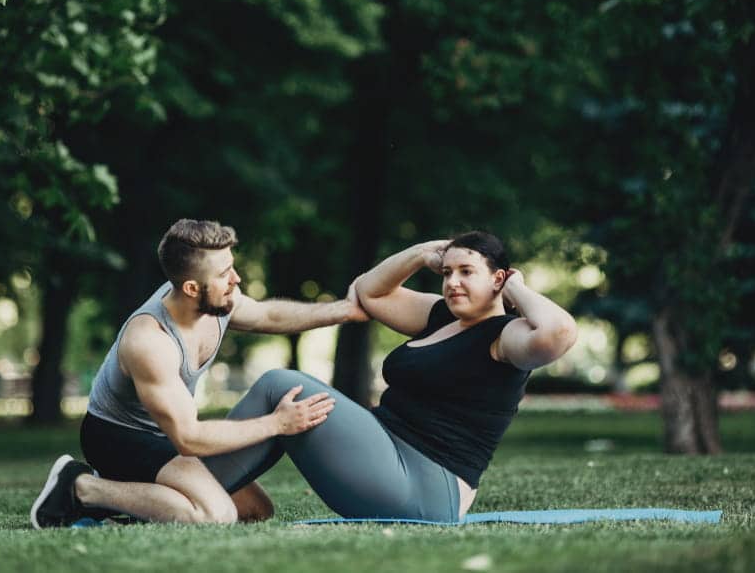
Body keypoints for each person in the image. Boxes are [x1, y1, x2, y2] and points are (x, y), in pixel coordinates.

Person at [182, 230, 578, 522]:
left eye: (467, 272)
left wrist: (517, 287)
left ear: (497, 278)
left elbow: (558, 333)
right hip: (387, 452)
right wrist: (420, 254)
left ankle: (177, 487)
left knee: (281, 385)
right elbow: (367, 293)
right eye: (448, 271)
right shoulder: (440, 315)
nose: (453, 281)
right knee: (281, 391)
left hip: (426, 484)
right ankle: (184, 489)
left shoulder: (504, 336)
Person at [31, 219, 367, 528]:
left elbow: (269, 316)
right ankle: (83, 487)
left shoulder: (216, 300)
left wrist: (343, 311)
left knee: (255, 510)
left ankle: (142, 502)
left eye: (232, 266)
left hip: (164, 436)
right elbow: (189, 438)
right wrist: (277, 424)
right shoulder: (150, 341)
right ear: (192, 288)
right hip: (119, 438)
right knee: (216, 514)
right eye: (224, 274)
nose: (235, 280)